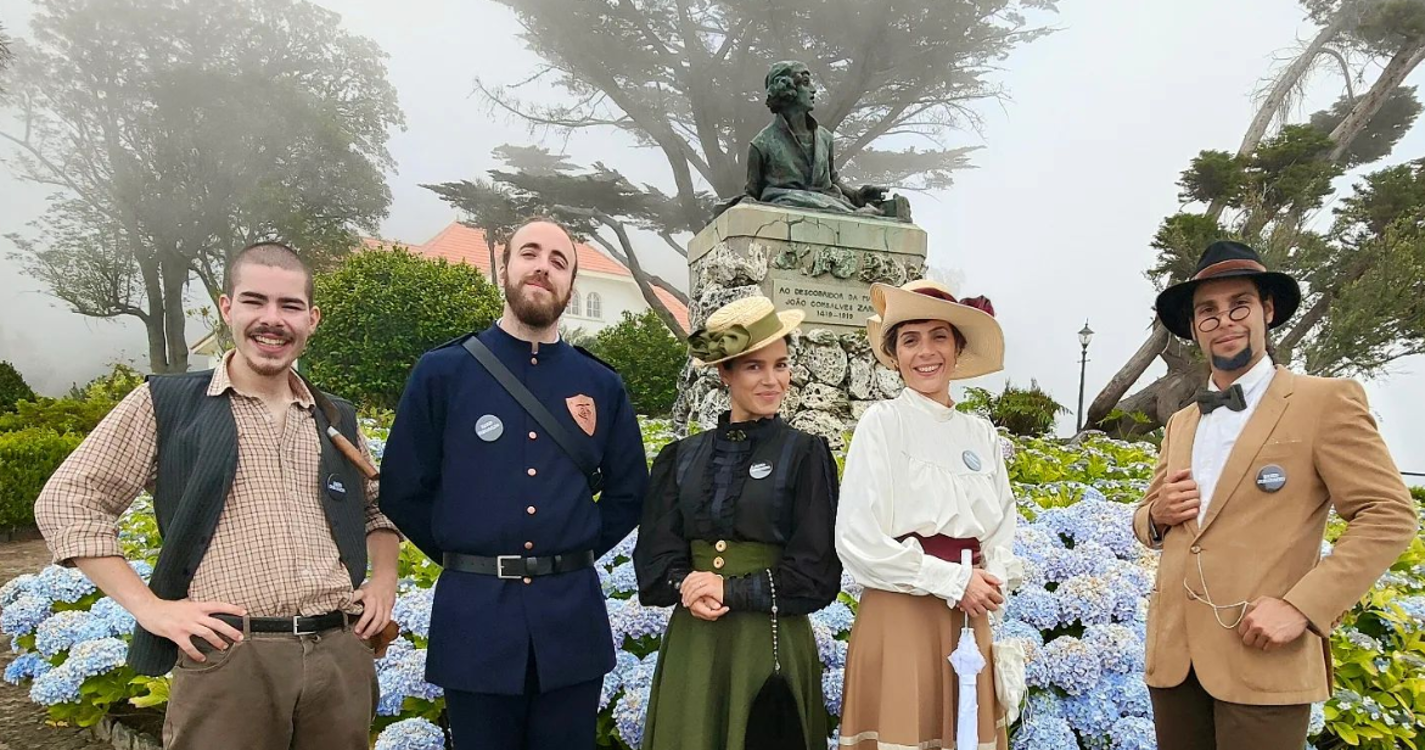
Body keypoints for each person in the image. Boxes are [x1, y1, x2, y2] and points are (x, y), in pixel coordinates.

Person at [34, 241, 398, 750]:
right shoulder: (167, 404)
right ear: (228, 308)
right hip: (230, 660)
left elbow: (379, 504)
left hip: (341, 654)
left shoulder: (334, 416)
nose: (272, 319)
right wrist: (152, 608)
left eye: (290, 306)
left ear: (311, 320)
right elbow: (68, 501)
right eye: (255, 301)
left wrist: (384, 580)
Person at [1135, 240, 1417, 750]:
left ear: (1267, 310)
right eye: (1208, 311)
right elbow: (1148, 520)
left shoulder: (1324, 402)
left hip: (1261, 656)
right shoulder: (1181, 421)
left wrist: (1303, 607)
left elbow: (1389, 515)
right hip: (1175, 661)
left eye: (1239, 305)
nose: (1225, 321)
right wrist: (1156, 513)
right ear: (1195, 326)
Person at [379, 218, 649, 750]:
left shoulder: (601, 384)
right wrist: (468, 551)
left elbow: (629, 492)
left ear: (570, 284)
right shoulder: (443, 372)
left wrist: (574, 544)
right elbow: (402, 489)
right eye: (530, 253)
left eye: (559, 261)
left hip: (570, 619)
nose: (543, 267)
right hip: (474, 618)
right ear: (505, 265)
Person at [635, 296, 841, 750]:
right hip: (696, 645)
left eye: (781, 365)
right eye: (754, 367)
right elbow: (654, 560)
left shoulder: (807, 455)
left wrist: (728, 589)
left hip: (769, 641)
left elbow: (816, 572)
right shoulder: (680, 458)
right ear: (724, 373)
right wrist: (685, 584)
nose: (773, 380)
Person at [835, 279, 1020, 750]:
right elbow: (857, 539)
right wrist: (952, 581)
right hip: (902, 611)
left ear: (957, 349)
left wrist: (991, 578)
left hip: (970, 613)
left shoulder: (980, 434)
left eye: (939, 336)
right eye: (910, 340)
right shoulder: (883, 424)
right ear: (894, 354)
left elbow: (1002, 522)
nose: (925, 352)